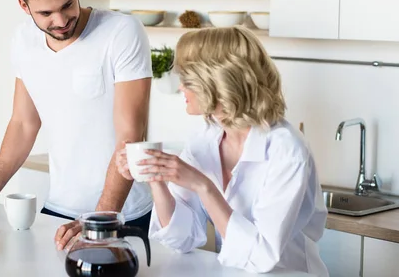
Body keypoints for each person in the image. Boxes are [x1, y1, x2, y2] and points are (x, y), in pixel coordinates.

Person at [0, 0, 154, 251]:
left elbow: (130, 136)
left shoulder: (121, 32)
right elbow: (24, 123)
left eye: (67, 5)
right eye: (46, 13)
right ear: (24, 6)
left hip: (121, 212)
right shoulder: (24, 40)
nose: (61, 20)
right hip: (59, 207)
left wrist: (99, 220)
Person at [115, 26, 329, 276]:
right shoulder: (204, 140)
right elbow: (181, 239)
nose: (180, 87)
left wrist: (203, 186)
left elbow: (261, 256)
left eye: (188, 78)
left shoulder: (287, 150)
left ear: (218, 81)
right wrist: (156, 179)